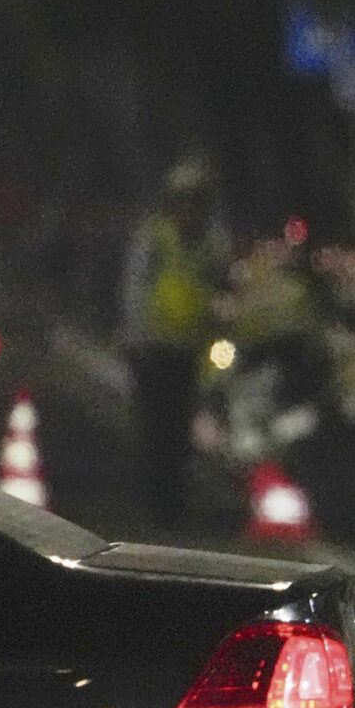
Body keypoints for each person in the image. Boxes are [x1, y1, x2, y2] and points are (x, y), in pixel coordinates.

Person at [118, 157, 229, 524]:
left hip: (188, 351)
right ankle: (154, 501)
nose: (191, 209)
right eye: (185, 200)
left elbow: (216, 291)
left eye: (197, 201)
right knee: (154, 427)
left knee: (179, 429)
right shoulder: (155, 238)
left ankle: (174, 502)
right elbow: (135, 289)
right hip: (152, 348)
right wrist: (134, 339)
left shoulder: (208, 245)